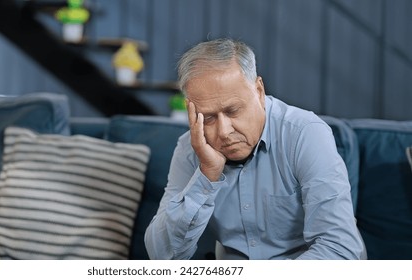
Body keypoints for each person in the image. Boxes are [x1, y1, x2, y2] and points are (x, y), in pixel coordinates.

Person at [144, 38, 366, 260]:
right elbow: (162, 258)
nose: (223, 131)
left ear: (259, 91)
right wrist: (206, 175)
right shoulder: (190, 149)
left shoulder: (304, 133)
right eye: (208, 117)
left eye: (233, 111)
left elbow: (340, 249)